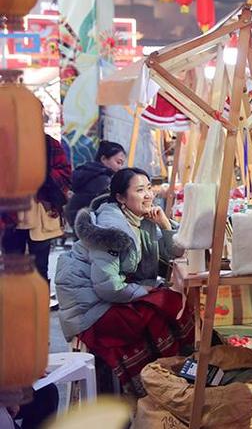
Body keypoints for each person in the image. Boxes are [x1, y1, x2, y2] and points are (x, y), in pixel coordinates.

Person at [54, 167, 191, 396]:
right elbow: (108, 287)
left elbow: (173, 254)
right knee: (163, 306)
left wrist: (165, 225)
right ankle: (159, 382)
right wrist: (144, 289)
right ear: (120, 197)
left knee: (168, 302)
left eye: (149, 188)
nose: (148, 195)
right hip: (88, 307)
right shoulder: (114, 228)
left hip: (105, 295)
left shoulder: (141, 218)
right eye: (140, 190)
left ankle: (169, 377)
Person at [1, 133, 72, 282]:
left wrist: (43, 174)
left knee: (40, 267)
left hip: (40, 213)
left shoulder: (49, 143)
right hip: (10, 214)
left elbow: (65, 174)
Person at [65, 141, 126, 229]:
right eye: (118, 162)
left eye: (122, 164)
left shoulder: (88, 171)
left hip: (76, 219)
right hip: (88, 223)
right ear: (104, 159)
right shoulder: (103, 180)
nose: (120, 167)